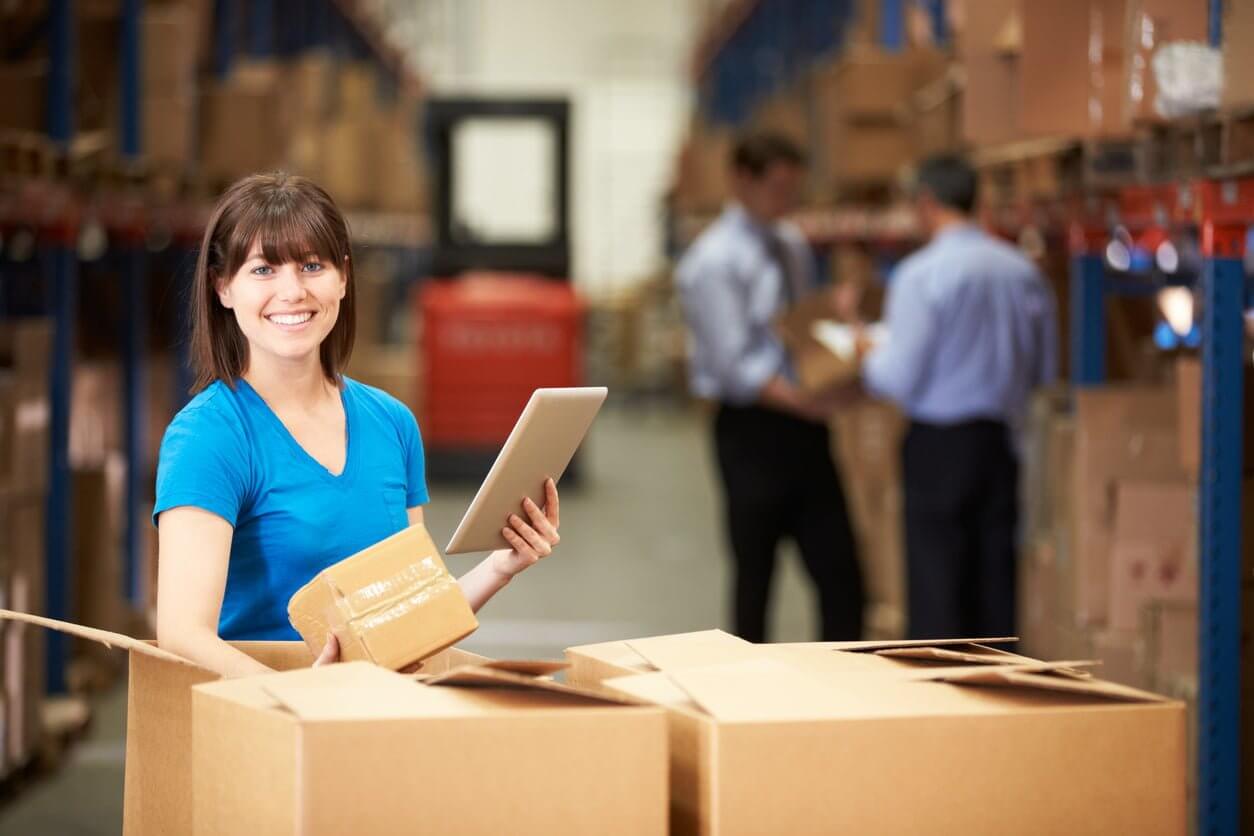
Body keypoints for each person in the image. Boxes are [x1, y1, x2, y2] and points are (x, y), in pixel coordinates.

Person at [154, 172, 562, 677]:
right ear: (223, 287)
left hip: (374, 708)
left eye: (311, 266)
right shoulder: (209, 438)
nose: (292, 291)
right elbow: (182, 633)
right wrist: (299, 696)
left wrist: (502, 564)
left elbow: (414, 613)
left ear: (343, 277)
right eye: (263, 270)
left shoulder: (391, 423)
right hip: (265, 713)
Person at [858, 154, 1058, 639]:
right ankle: (997, 681)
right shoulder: (1021, 271)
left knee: (938, 595)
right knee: (995, 589)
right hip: (999, 443)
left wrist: (867, 353)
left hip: (938, 446)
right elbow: (1045, 369)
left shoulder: (920, 275)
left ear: (926, 202)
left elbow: (898, 377)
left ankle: (943, 685)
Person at [676, 132, 864, 643]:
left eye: (793, 189)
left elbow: (795, 328)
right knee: (756, 571)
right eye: (777, 188)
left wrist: (838, 346)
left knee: (840, 572)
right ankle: (749, 681)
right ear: (742, 180)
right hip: (752, 430)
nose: (787, 200)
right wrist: (807, 403)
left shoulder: (791, 245)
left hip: (804, 426)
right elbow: (736, 367)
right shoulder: (713, 261)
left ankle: (844, 678)